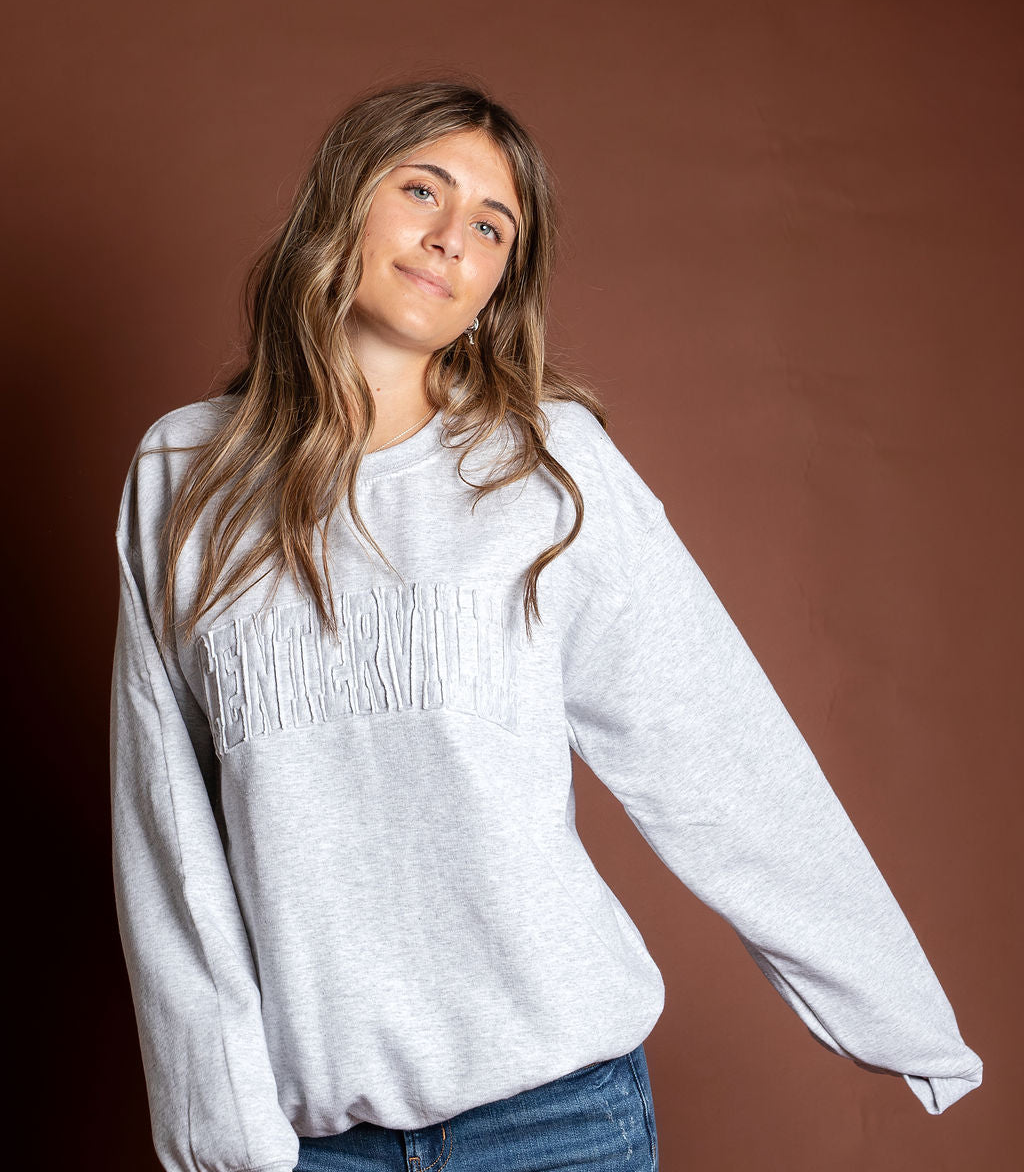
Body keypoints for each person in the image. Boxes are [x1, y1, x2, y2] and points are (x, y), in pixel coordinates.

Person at [109, 78, 983, 1172]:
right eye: (421, 189)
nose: (450, 236)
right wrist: (226, 1135)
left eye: (491, 226)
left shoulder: (546, 468)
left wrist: (897, 1014)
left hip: (557, 1120)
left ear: (498, 286)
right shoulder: (186, 474)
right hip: (313, 1135)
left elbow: (717, 745)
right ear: (342, 203)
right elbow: (168, 836)